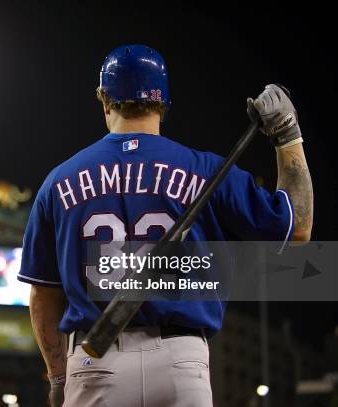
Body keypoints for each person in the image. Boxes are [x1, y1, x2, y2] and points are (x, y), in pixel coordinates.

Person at [17, 44, 313, 407]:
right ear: (163, 104)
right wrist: (287, 133)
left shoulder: (59, 181)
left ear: (105, 102)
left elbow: (43, 297)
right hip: (180, 359)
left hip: (96, 360)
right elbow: (297, 228)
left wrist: (59, 377)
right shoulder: (207, 171)